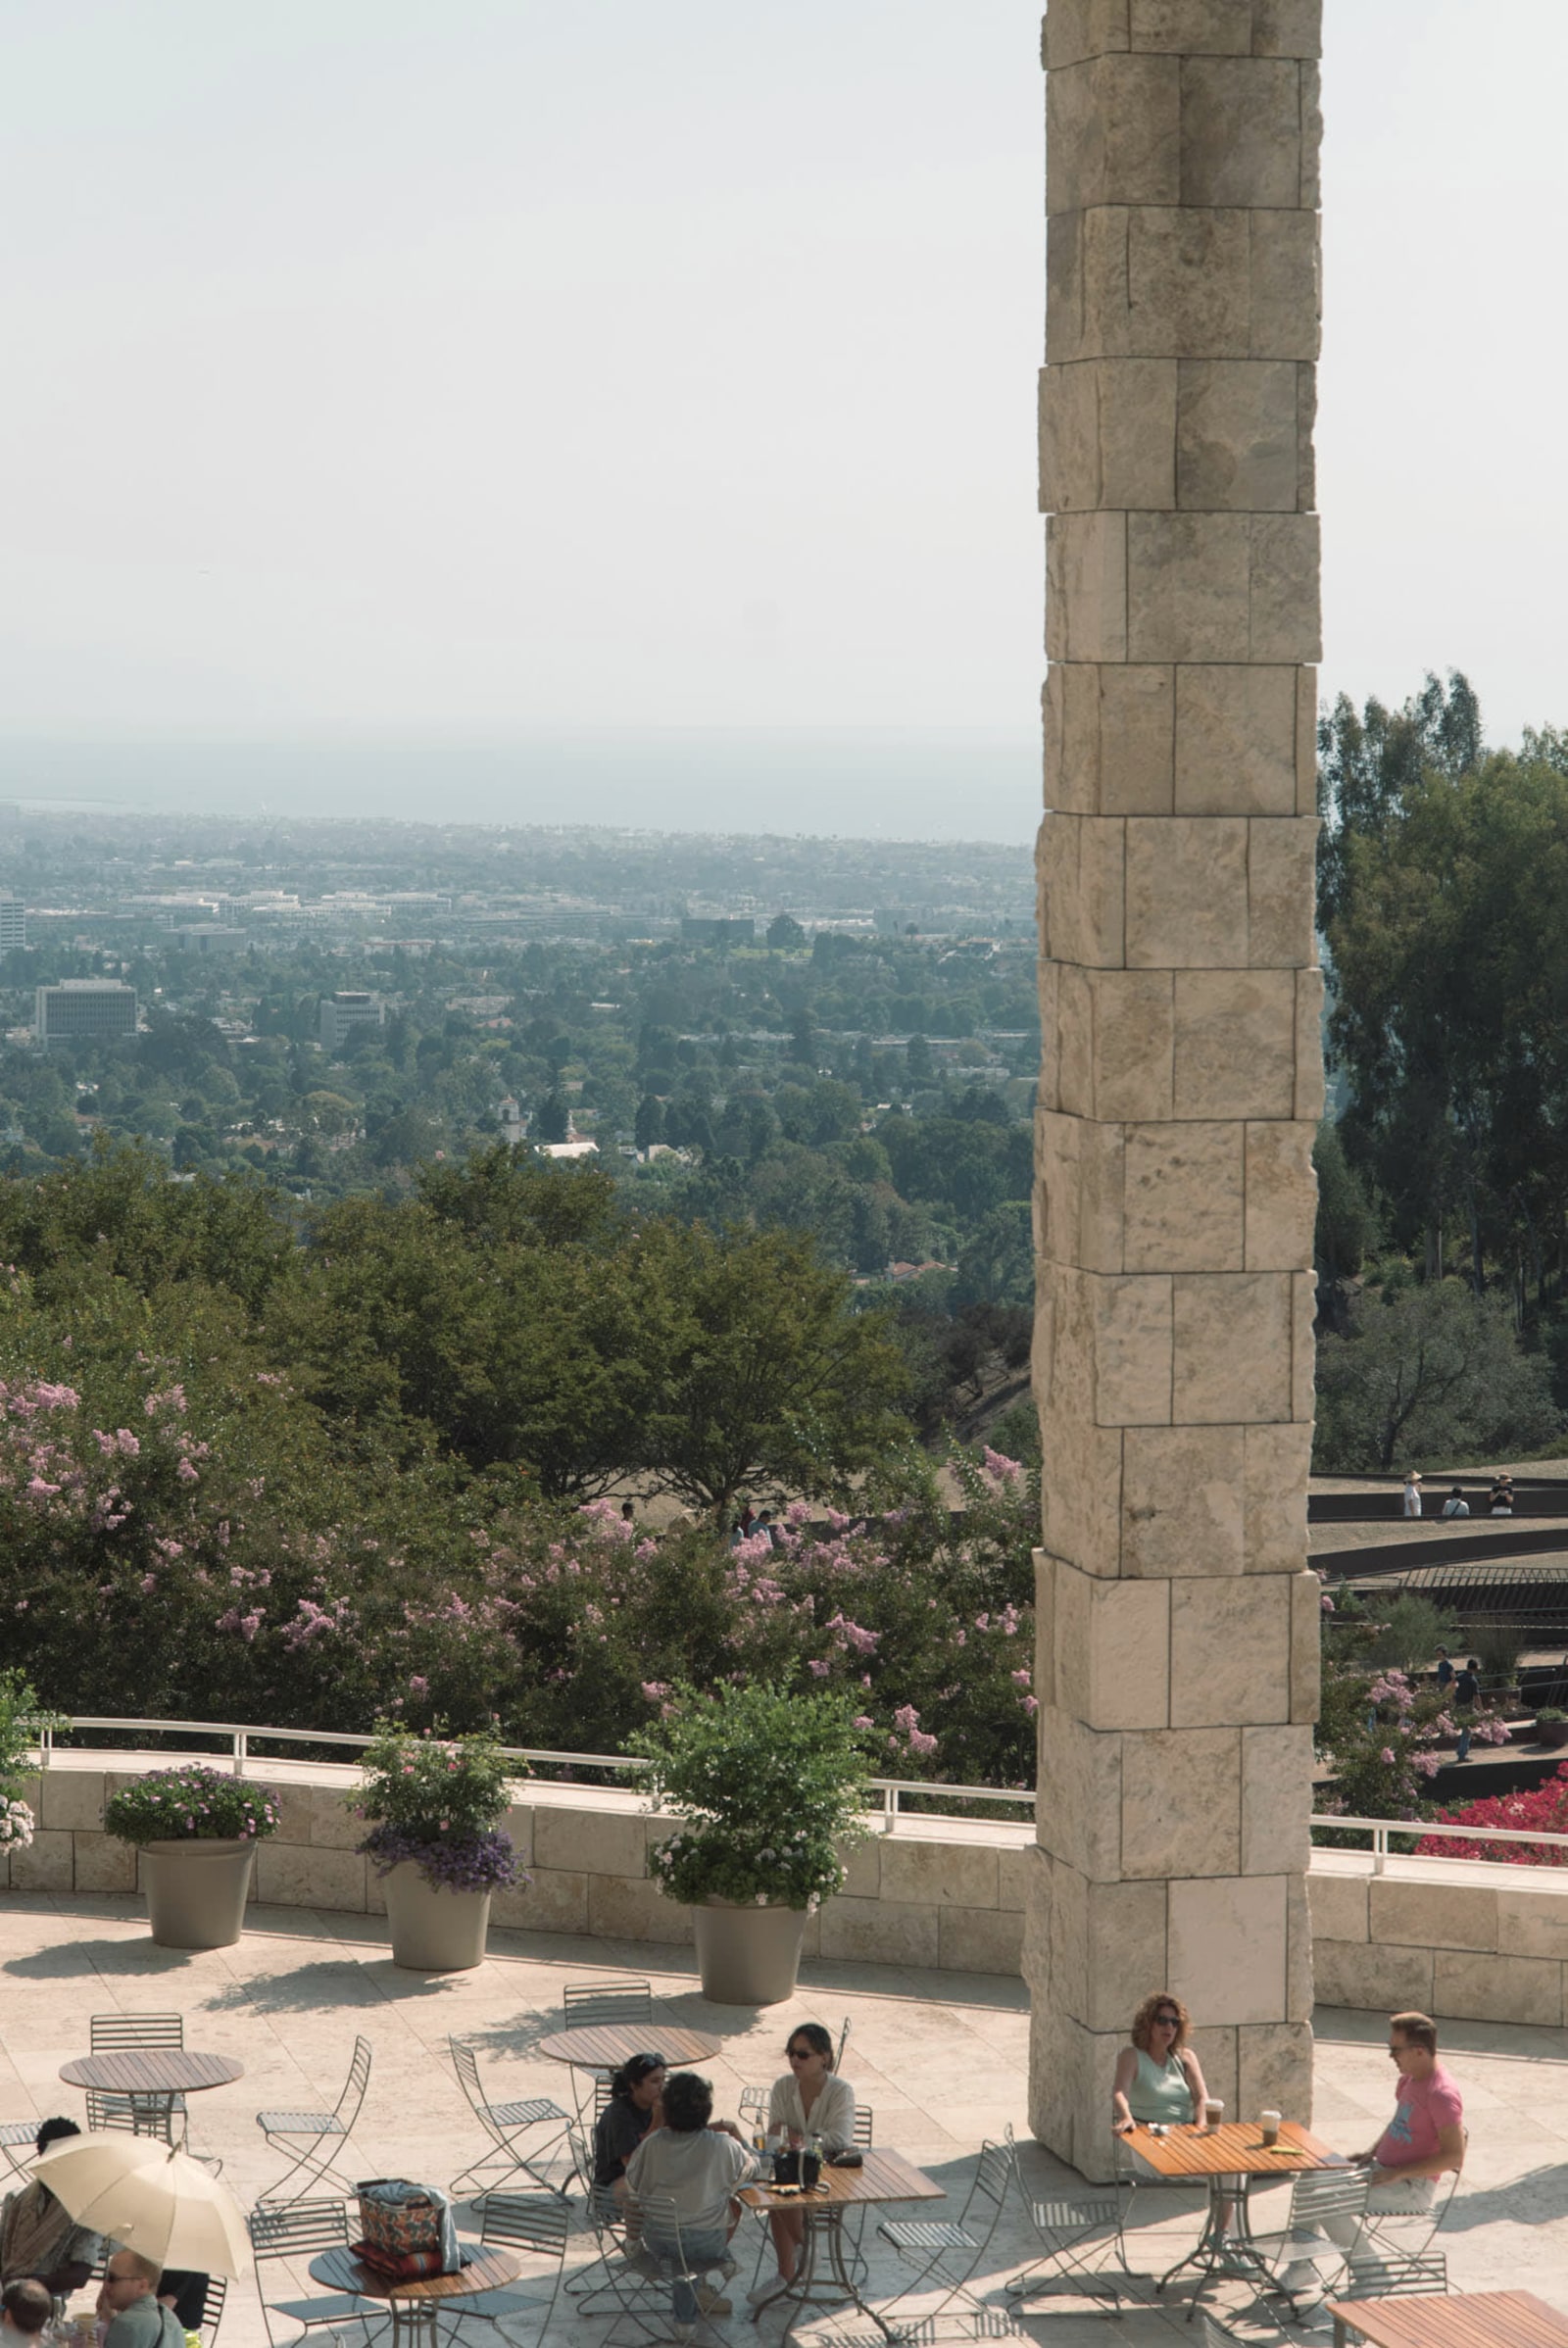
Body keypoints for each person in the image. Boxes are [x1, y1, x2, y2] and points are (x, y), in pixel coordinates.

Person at [1285, 2012, 1463, 2284]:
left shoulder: (1441, 2094)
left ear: (1418, 2051)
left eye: (1395, 2050)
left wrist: (1399, 2173)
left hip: (1410, 2187)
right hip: (1381, 2170)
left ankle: (1371, 2273)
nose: (1391, 2057)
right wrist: (1371, 2152)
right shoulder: (1410, 2079)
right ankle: (1301, 2267)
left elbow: (1454, 2156)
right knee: (1311, 2175)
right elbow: (1399, 2121)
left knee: (1328, 2203)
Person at [623, 2072, 754, 2341]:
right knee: (731, 2205)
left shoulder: (653, 2144)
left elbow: (632, 2185)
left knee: (667, 2223)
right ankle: (709, 2278)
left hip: (659, 2241)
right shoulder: (723, 2145)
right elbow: (753, 2169)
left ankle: (686, 2312)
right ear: (706, 2110)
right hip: (706, 2243)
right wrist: (737, 2136)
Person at [747, 2024, 856, 2307]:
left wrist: (796, 2139)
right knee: (777, 2194)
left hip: (828, 2173)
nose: (795, 2060)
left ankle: (794, 2266)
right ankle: (800, 2256)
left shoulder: (841, 2092)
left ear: (824, 2058)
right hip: (791, 2167)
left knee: (782, 2194)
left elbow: (839, 2138)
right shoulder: (784, 2086)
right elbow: (773, 2134)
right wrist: (802, 2141)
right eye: (791, 2054)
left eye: (803, 2055)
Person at [0, 2119, 101, 2294]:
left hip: (46, 2300)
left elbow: (79, 2275)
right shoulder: (17, 2199)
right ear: (40, 2154)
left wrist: (27, 2284)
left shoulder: (84, 2209)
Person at [1110, 1993, 1210, 2134]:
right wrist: (1126, 2118)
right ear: (1148, 2024)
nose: (1169, 2026)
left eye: (1174, 2022)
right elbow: (1119, 2092)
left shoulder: (1186, 2057)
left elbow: (1202, 2099)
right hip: (1146, 2132)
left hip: (1183, 2133)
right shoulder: (1131, 2056)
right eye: (1162, 2021)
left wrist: (1199, 2128)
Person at [593, 2051, 666, 2208]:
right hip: (611, 2189)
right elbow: (633, 2164)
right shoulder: (620, 2115)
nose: (662, 2088)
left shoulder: (655, 2105)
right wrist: (658, 2121)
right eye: (654, 2081)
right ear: (634, 2085)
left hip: (648, 2177)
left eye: (663, 2080)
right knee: (645, 2188)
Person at [98, 2253, 184, 2348]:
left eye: (112, 2278)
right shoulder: (170, 2317)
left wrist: (111, 2325)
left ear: (142, 2286)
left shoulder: (127, 2324)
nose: (106, 2285)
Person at [1454, 1657, 1482, 1761]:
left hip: (1458, 1706)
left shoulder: (1459, 1677)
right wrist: (1481, 1709)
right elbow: (1476, 1697)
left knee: (1466, 1730)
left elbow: (1452, 1686)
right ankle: (1462, 1754)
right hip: (1467, 1708)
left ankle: (1461, 1751)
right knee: (1466, 1731)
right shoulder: (1472, 1680)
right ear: (1474, 1669)